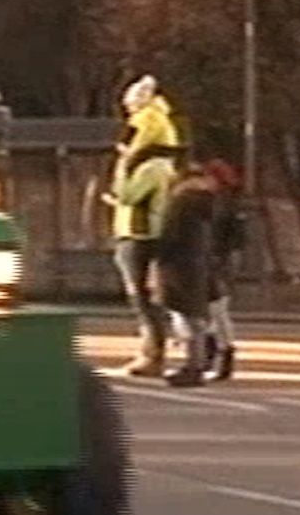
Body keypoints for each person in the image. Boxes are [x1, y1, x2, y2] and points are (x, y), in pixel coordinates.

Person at [104, 75, 185, 377]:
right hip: (149, 231)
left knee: (139, 295)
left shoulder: (149, 166)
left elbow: (127, 195)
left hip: (138, 233)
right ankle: (157, 348)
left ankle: (152, 353)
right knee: (150, 295)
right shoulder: (165, 163)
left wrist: (122, 168)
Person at [154, 161, 218, 387]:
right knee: (195, 317)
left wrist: (157, 260)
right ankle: (197, 363)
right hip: (197, 263)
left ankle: (193, 366)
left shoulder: (181, 202)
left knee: (183, 316)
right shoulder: (207, 202)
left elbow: (169, 236)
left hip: (178, 264)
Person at [201, 158, 246, 381]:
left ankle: (221, 355)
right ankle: (213, 355)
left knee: (216, 311)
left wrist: (224, 260)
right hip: (213, 260)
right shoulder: (221, 201)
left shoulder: (223, 203)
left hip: (218, 261)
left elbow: (233, 238)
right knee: (211, 311)